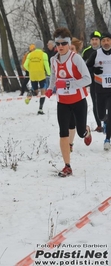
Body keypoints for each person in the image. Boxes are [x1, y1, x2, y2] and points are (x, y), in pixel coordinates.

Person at [44, 27, 92, 177]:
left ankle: (87, 130)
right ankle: (67, 166)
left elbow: (87, 79)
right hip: (62, 102)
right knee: (63, 133)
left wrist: (67, 84)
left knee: (80, 132)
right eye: (57, 44)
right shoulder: (53, 60)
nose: (60, 47)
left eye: (64, 43)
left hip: (78, 101)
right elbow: (53, 77)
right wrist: (51, 88)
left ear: (69, 43)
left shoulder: (75, 58)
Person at [86, 32, 111, 151]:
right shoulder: (96, 54)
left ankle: (107, 139)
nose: (106, 43)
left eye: (108, 40)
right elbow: (86, 67)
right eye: (104, 41)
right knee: (101, 115)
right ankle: (104, 121)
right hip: (100, 89)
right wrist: (94, 69)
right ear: (101, 43)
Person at [82, 31, 103, 133]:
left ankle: (107, 123)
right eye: (93, 40)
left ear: (100, 40)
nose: (94, 42)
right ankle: (99, 125)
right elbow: (82, 67)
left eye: (96, 40)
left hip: (106, 82)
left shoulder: (105, 50)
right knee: (96, 102)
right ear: (90, 41)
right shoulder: (86, 52)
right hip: (93, 82)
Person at [23, 40, 51, 114]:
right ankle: (40, 109)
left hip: (32, 75)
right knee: (43, 92)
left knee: (35, 91)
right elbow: (46, 65)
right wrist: (49, 73)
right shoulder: (44, 54)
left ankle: (30, 94)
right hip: (41, 75)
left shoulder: (30, 54)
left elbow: (25, 65)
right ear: (42, 47)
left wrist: (30, 70)